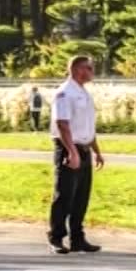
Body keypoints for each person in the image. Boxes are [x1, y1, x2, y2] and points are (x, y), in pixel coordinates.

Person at [48, 55, 105, 255]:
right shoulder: (65, 93)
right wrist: (72, 152)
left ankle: (77, 238)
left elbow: (87, 127)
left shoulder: (84, 93)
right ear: (76, 69)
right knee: (64, 195)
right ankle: (56, 237)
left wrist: (96, 151)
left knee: (81, 196)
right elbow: (62, 124)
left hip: (84, 148)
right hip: (68, 148)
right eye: (87, 68)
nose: (91, 72)